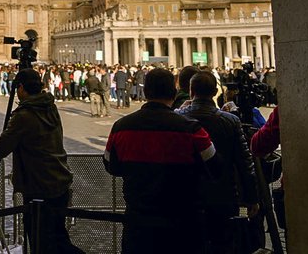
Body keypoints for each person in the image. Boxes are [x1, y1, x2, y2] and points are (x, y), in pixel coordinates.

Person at [103, 67, 218, 254]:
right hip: (183, 222)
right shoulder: (191, 129)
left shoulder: (121, 127)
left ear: (146, 92)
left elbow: (111, 166)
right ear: (174, 93)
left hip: (138, 222)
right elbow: (215, 166)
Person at [0, 69, 82, 254]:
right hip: (59, 179)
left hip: (39, 184)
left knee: (42, 243)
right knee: (58, 237)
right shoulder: (49, 106)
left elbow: (1, 150)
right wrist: (8, 138)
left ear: (20, 88)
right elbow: (35, 136)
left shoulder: (24, 114)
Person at [176, 71, 259, 252]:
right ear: (215, 92)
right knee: (224, 245)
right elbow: (245, 163)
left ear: (191, 91)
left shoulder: (177, 119)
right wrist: (252, 197)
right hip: (223, 196)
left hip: (186, 196)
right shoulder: (231, 120)